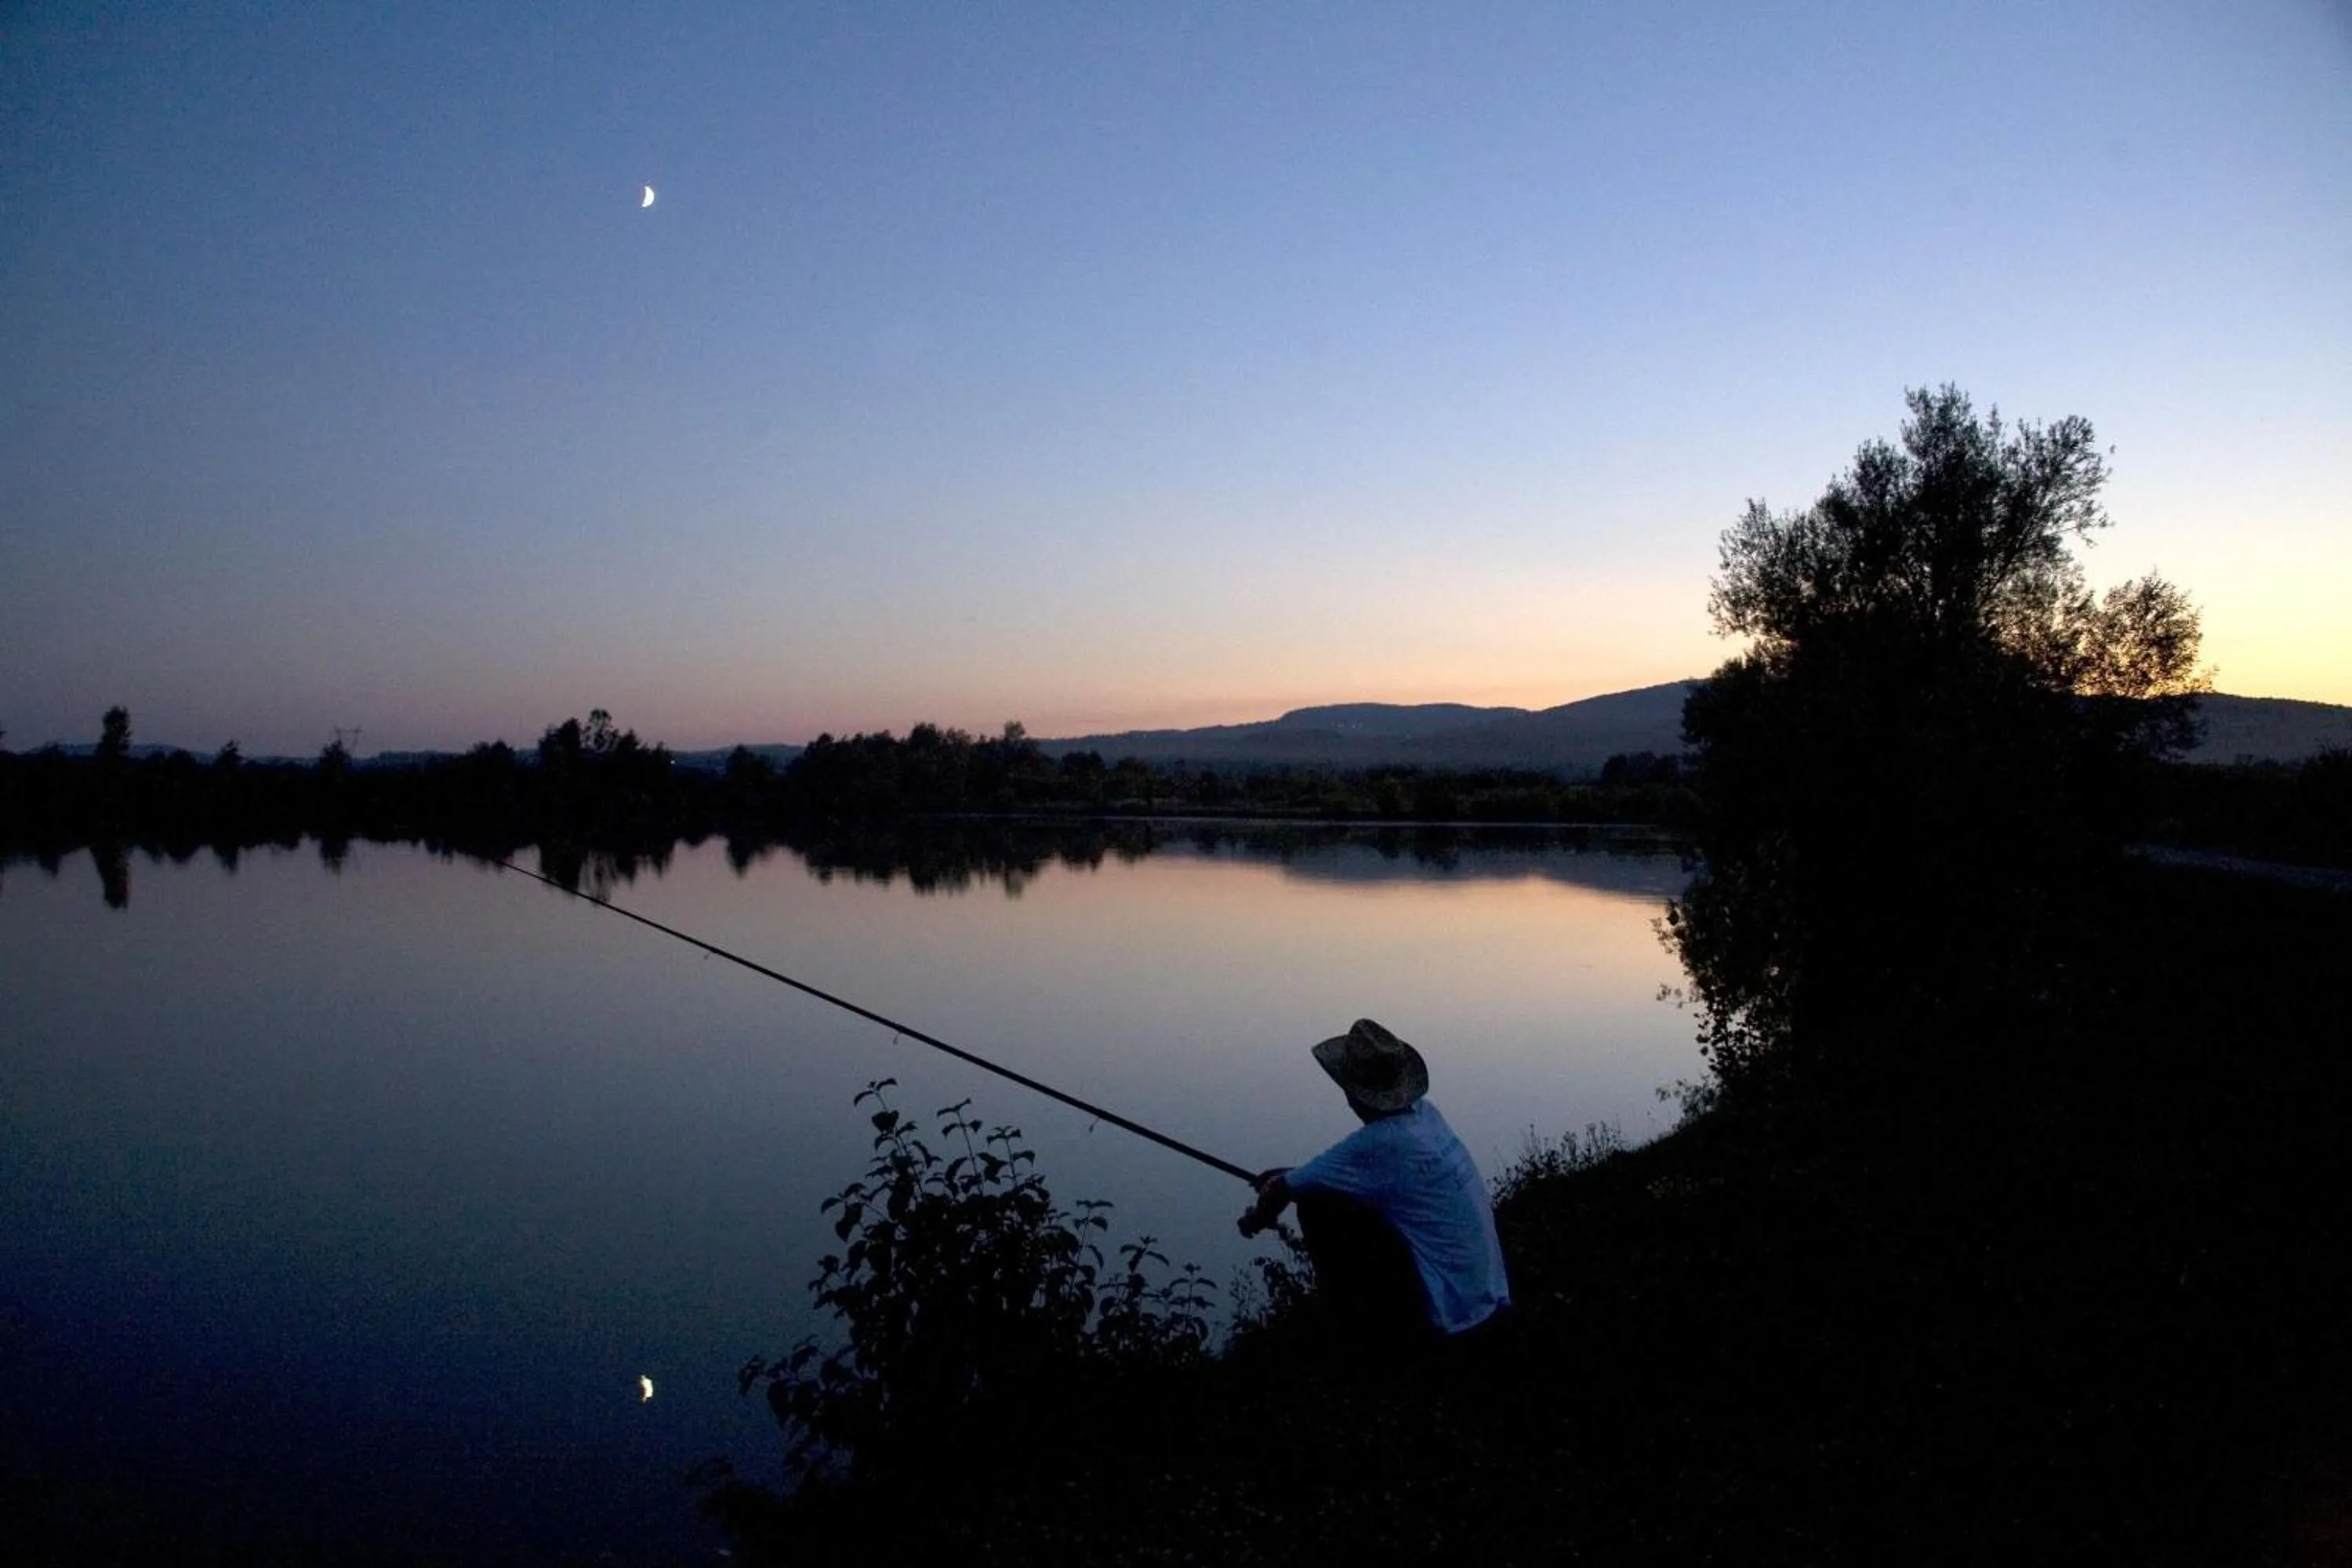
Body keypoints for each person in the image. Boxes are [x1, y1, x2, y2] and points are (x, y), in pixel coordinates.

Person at [1237, 1018, 1512, 1341]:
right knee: (1332, 1193)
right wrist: (1290, 1177)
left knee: (1315, 1206)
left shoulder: (1378, 1143)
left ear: (1352, 1093)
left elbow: (1281, 1189)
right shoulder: (1426, 1115)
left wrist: (1256, 1219)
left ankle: (1354, 1332)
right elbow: (1336, 1174)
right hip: (1490, 1291)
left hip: (1457, 1312)